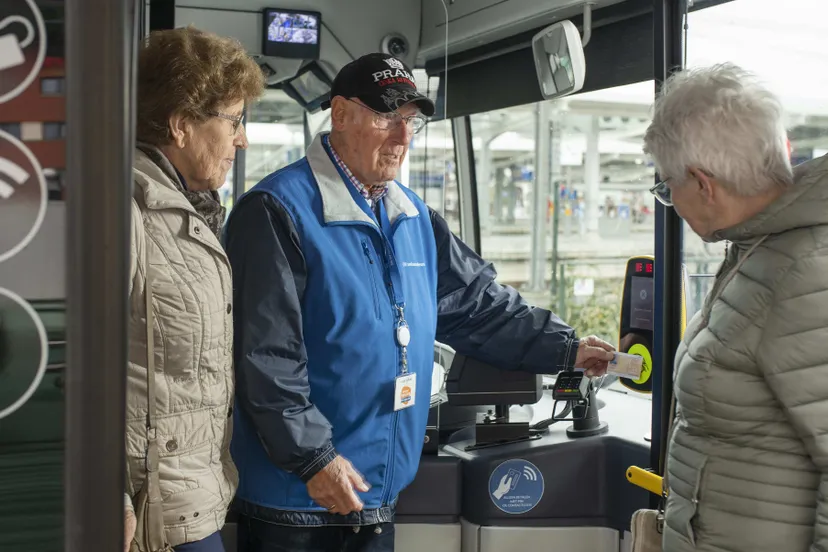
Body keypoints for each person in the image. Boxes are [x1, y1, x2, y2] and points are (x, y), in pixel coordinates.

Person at [224, 52, 615, 552]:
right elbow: (265, 357)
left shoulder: (413, 217)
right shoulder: (278, 211)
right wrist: (312, 459)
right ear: (340, 114)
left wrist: (567, 348)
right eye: (388, 117)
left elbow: (477, 306)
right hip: (298, 501)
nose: (403, 137)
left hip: (378, 489)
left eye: (411, 121)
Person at [643, 62, 828, 552]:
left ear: (703, 184)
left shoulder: (804, 270)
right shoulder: (757, 251)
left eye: (666, 187)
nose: (672, 202)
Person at [124, 27, 264, 552]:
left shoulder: (191, 213)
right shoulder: (131, 213)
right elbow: (74, 363)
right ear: (181, 126)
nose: (242, 139)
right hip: (149, 511)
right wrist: (108, 494)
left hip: (194, 493)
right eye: (234, 121)